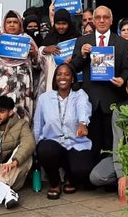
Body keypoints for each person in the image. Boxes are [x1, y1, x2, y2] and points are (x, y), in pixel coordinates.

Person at [69, 6, 128, 158]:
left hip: (112, 100)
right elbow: (73, 67)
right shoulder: (83, 41)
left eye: (105, 17)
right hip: (89, 102)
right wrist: (83, 55)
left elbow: (126, 69)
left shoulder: (122, 43)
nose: (102, 20)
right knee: (90, 146)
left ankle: (108, 179)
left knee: (112, 145)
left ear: (111, 21)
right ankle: (91, 179)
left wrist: (123, 80)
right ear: (93, 20)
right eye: (98, 17)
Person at [33, 64, 93, 200]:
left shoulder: (79, 95)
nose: (62, 77)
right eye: (59, 74)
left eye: (66, 74)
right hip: (53, 143)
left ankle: (70, 178)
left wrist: (83, 123)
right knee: (45, 150)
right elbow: (38, 124)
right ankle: (55, 183)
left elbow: (84, 108)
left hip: (75, 143)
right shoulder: (45, 98)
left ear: (72, 79)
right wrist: (38, 150)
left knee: (83, 170)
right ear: (55, 79)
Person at [89, 72, 128, 201]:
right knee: (96, 176)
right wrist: (121, 174)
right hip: (125, 156)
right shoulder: (119, 109)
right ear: (126, 90)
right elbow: (118, 142)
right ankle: (125, 181)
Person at [0, 10, 39, 121]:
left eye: (15, 22)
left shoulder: (27, 40)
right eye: (9, 22)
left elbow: (37, 65)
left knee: (21, 117)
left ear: (20, 24)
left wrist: (33, 54)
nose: (12, 25)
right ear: (4, 24)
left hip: (22, 84)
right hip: (1, 84)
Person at [39, 9, 80, 95]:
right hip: (52, 81)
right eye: (58, 24)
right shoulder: (50, 38)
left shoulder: (77, 38)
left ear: (69, 23)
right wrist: (44, 50)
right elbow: (39, 59)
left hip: (71, 81)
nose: (61, 27)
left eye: (64, 24)